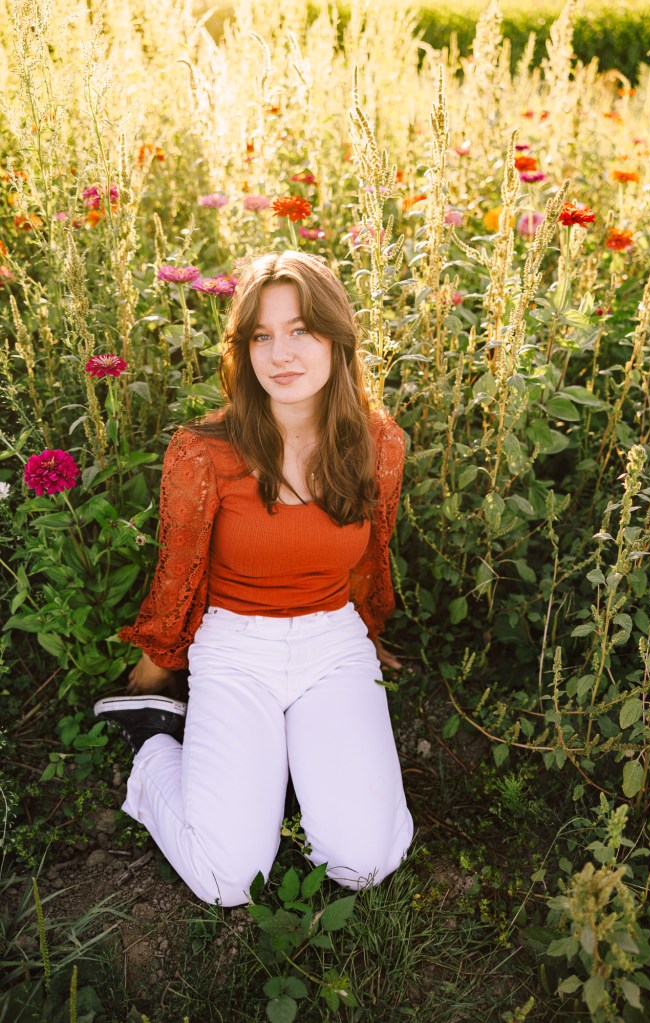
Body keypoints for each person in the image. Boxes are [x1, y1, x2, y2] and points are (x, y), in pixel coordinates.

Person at [94, 250, 414, 907]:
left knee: (364, 863)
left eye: (300, 330)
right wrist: (157, 667)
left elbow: (369, 557)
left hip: (333, 645)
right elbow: (179, 572)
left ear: (337, 338)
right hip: (236, 647)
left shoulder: (377, 443)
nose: (280, 354)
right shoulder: (206, 451)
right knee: (227, 879)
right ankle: (152, 743)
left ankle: (297, 765)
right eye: (261, 336)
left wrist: (368, 631)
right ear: (242, 350)